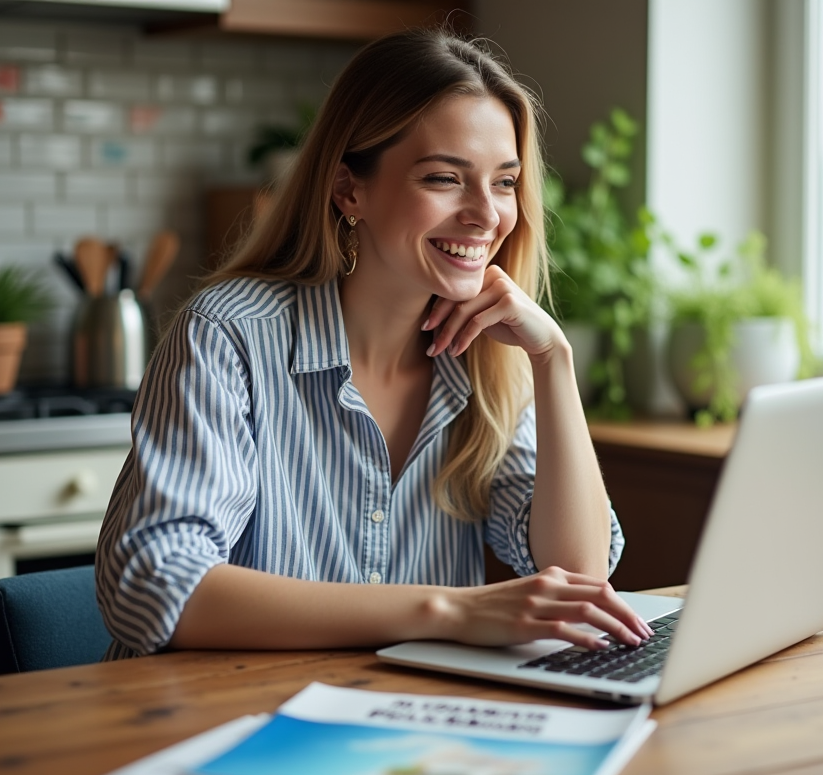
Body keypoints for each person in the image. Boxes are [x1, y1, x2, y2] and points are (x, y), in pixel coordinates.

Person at [95, 27, 651, 661]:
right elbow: (153, 583)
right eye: (445, 178)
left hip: (396, 728)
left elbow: (578, 581)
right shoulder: (229, 335)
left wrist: (553, 362)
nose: (487, 214)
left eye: (504, 182)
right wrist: (446, 610)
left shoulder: (492, 361)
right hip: (218, 723)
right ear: (349, 190)